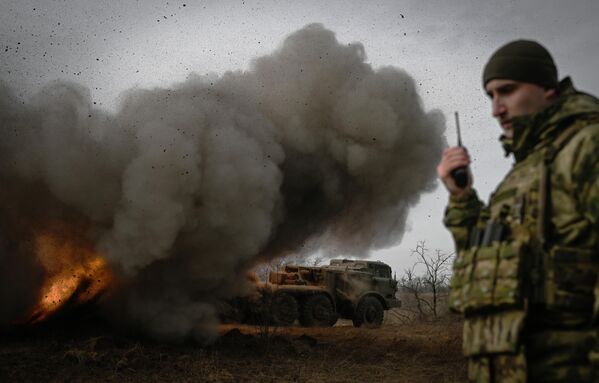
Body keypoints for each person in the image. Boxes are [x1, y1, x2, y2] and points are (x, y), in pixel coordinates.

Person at [437, 39, 599, 382]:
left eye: (507, 91)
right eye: (491, 96)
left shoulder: (586, 145)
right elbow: (484, 264)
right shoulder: (524, 172)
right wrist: (462, 198)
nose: (497, 109)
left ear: (548, 89)